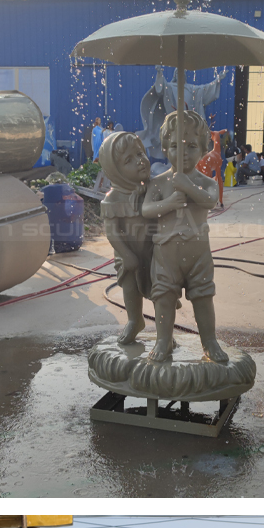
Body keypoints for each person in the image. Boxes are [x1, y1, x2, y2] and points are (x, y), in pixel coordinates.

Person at [141, 109, 224, 364]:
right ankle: (163, 340)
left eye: (191, 146)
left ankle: (209, 340)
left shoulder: (205, 182)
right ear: (165, 148)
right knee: (163, 297)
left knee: (203, 296)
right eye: (176, 146)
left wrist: (188, 187)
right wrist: (169, 202)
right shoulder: (158, 184)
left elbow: (211, 200)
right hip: (166, 254)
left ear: (202, 149)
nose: (183, 153)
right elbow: (146, 210)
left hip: (198, 253)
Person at [97, 131, 153, 343]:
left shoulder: (154, 189)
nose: (140, 161)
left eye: (140, 153)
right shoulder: (114, 199)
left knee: (161, 288)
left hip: (154, 249)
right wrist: (126, 253)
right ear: (115, 171)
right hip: (127, 252)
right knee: (130, 286)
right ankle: (134, 320)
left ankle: (164, 332)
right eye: (129, 160)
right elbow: (112, 231)